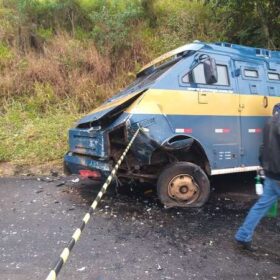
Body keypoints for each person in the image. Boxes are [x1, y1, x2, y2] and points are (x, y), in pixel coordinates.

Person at [235, 103, 280, 251]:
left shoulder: (270, 121)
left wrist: (264, 165)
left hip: (270, 173)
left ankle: (243, 236)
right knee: (261, 206)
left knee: (260, 206)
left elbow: (263, 146)